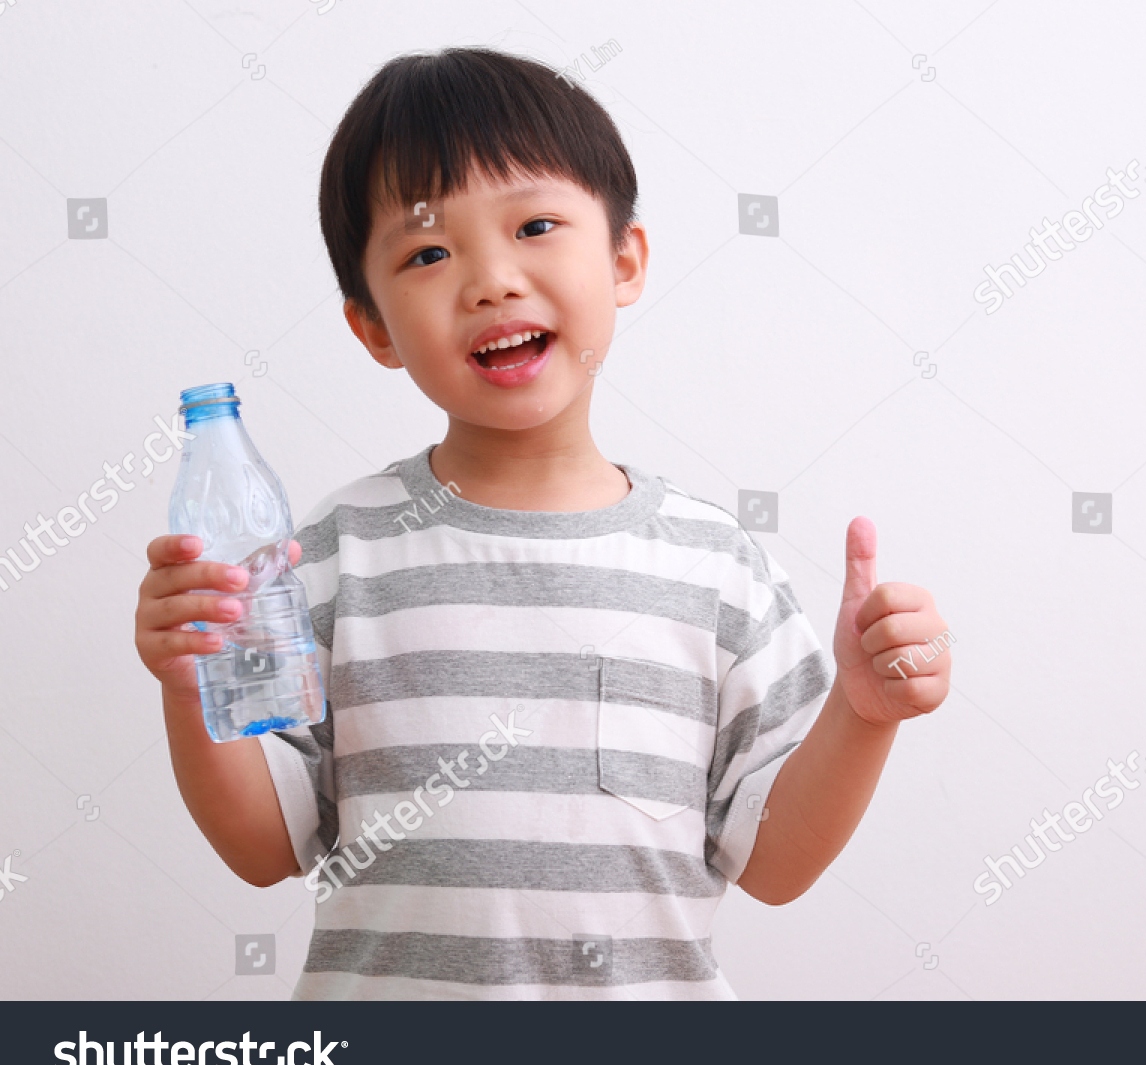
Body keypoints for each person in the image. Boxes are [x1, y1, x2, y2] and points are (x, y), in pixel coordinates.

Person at [133, 46, 951, 999]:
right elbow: (266, 845)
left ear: (625, 258)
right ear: (375, 329)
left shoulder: (712, 565)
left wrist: (861, 714)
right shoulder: (331, 557)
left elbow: (773, 864)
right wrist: (194, 685)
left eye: (534, 225)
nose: (491, 280)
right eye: (429, 252)